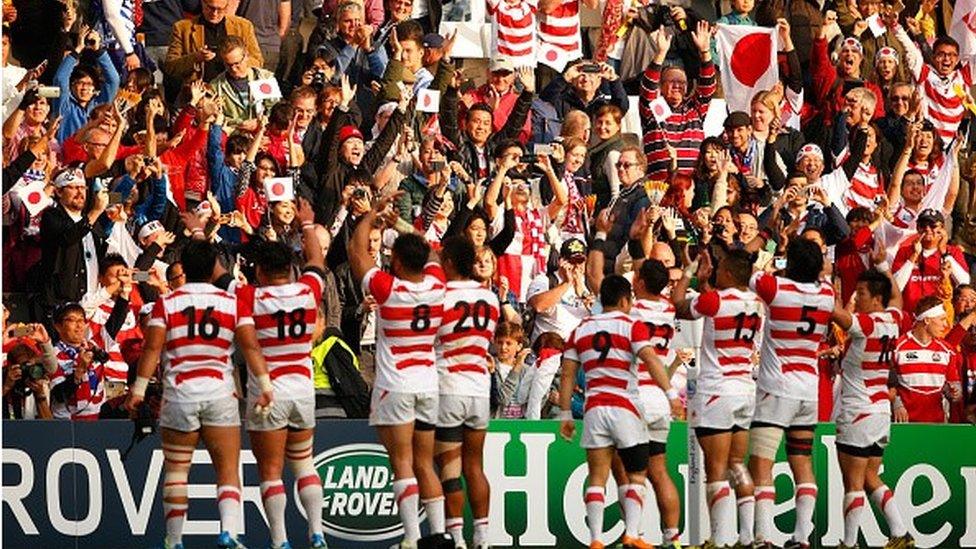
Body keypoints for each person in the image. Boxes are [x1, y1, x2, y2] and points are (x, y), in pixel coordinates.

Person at [124, 239, 273, 549]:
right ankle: (228, 533)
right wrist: (266, 385)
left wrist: (138, 391)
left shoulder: (167, 303)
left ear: (185, 270)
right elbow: (251, 347)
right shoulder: (233, 303)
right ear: (214, 268)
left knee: (178, 471)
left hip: (179, 396)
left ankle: (174, 540)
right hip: (220, 394)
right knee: (228, 469)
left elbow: (151, 348)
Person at [348, 193, 447, 548]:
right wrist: (400, 226)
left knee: (401, 463)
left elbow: (356, 253)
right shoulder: (437, 285)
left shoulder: (388, 289)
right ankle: (439, 535)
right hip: (427, 384)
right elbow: (432, 252)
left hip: (395, 386)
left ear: (399, 262)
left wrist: (372, 215)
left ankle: (411, 538)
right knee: (425, 463)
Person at [558, 274, 680, 549]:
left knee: (598, 476)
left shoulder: (581, 329)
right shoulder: (631, 325)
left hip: (595, 408)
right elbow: (650, 360)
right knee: (637, 473)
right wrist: (671, 394)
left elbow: (567, 374)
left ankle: (596, 539)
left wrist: (565, 413)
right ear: (625, 300)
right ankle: (632, 533)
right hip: (625, 407)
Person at [237, 199, 327, 549]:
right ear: (290, 268)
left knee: (271, 472)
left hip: (267, 392)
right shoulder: (307, 291)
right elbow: (317, 260)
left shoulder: (249, 297)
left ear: (259, 271)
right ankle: (317, 533)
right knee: (304, 463)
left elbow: (214, 277)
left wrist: (199, 231)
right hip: (303, 389)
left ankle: (280, 541)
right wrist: (306, 224)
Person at [672, 249, 765, 548]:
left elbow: (678, 305)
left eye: (720, 268)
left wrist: (689, 272)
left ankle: (719, 539)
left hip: (717, 392)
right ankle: (747, 536)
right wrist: (706, 282)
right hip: (744, 390)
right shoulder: (755, 303)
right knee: (738, 464)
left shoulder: (715, 300)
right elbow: (714, 303)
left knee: (716, 469)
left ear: (727, 273)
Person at [748, 238, 836, 548]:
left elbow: (752, 269)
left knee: (761, 462)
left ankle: (762, 537)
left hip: (777, 390)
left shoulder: (776, 290)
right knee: (801, 461)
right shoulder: (827, 294)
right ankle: (801, 537)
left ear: (790, 265)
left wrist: (774, 246)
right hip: (808, 391)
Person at [828, 265, 915, 549]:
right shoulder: (893, 319)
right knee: (869, 477)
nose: (858, 297)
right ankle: (900, 532)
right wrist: (886, 270)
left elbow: (835, 314)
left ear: (876, 298)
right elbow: (898, 300)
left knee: (852, 483)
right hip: (879, 411)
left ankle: (849, 543)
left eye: (862, 293)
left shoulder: (867, 324)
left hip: (858, 412)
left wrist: (824, 281)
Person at [434, 236, 500, 549]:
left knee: (450, 468)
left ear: (448, 263)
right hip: (478, 387)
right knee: (475, 465)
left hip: (448, 385)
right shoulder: (491, 299)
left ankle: (457, 538)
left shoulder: (440, 297)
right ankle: (483, 539)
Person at [628, 259, 683, 549]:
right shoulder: (669, 310)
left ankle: (632, 534)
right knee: (659, 471)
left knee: (628, 472)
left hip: (636, 396)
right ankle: (671, 538)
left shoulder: (631, 312)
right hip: (661, 398)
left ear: (640, 282)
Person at [891, 296, 961, 423]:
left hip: (936, 425)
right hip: (904, 424)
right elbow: (885, 383)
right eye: (942, 319)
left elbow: (953, 384)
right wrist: (896, 403)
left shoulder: (947, 350)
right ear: (927, 320)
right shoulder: (897, 348)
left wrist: (954, 392)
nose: (946, 325)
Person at [163, 0, 263, 83]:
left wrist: (237, 61)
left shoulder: (243, 26)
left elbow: (258, 62)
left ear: (227, 6)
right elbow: (170, 67)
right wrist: (196, 58)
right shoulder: (183, 28)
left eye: (220, 9)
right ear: (202, 3)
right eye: (210, 8)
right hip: (199, 94)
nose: (215, 13)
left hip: (234, 90)